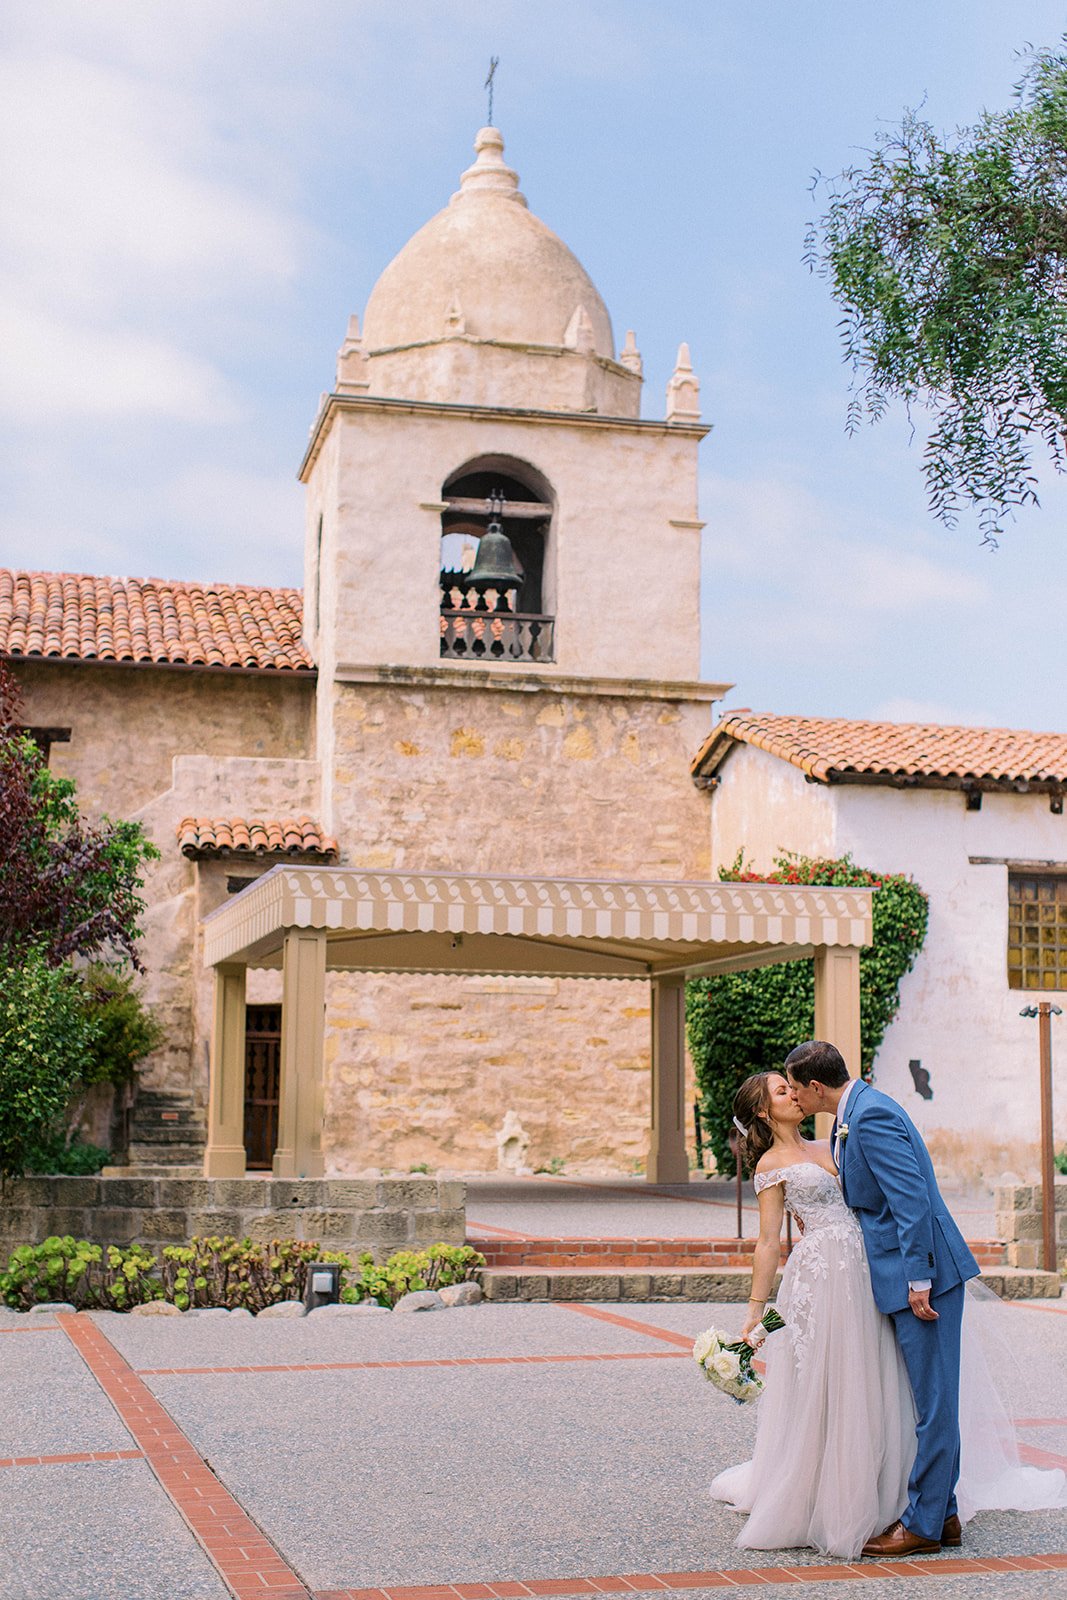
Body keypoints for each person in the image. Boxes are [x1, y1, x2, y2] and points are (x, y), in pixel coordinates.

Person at [709, 1051, 1067, 1561]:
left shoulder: (857, 1121)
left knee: (915, 1394)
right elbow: (771, 1241)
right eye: (780, 1092)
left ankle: (928, 1516)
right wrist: (756, 1310)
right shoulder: (811, 1143)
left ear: (813, 1085)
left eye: (792, 1087)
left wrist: (918, 1275)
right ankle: (924, 1509)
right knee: (866, 1387)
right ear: (765, 1112)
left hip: (894, 1273)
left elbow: (908, 1197)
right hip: (840, 1275)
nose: (792, 1095)